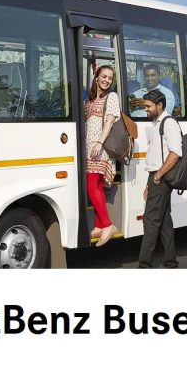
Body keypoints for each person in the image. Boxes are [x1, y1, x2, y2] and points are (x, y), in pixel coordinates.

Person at [139, 89, 182, 268]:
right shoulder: (157, 123)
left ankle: (144, 264)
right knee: (164, 221)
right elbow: (155, 156)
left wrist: (158, 175)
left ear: (160, 105)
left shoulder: (168, 123)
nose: (146, 110)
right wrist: (149, 183)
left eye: (148, 106)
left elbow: (176, 153)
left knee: (150, 221)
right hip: (156, 177)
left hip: (161, 177)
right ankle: (171, 261)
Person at [84, 65, 121, 246]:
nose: (107, 80)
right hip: (89, 147)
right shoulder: (90, 99)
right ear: (96, 77)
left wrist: (99, 143)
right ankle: (99, 226)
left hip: (101, 148)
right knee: (97, 186)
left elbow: (109, 122)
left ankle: (107, 224)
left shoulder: (111, 97)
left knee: (91, 186)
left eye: (110, 78)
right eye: (104, 76)